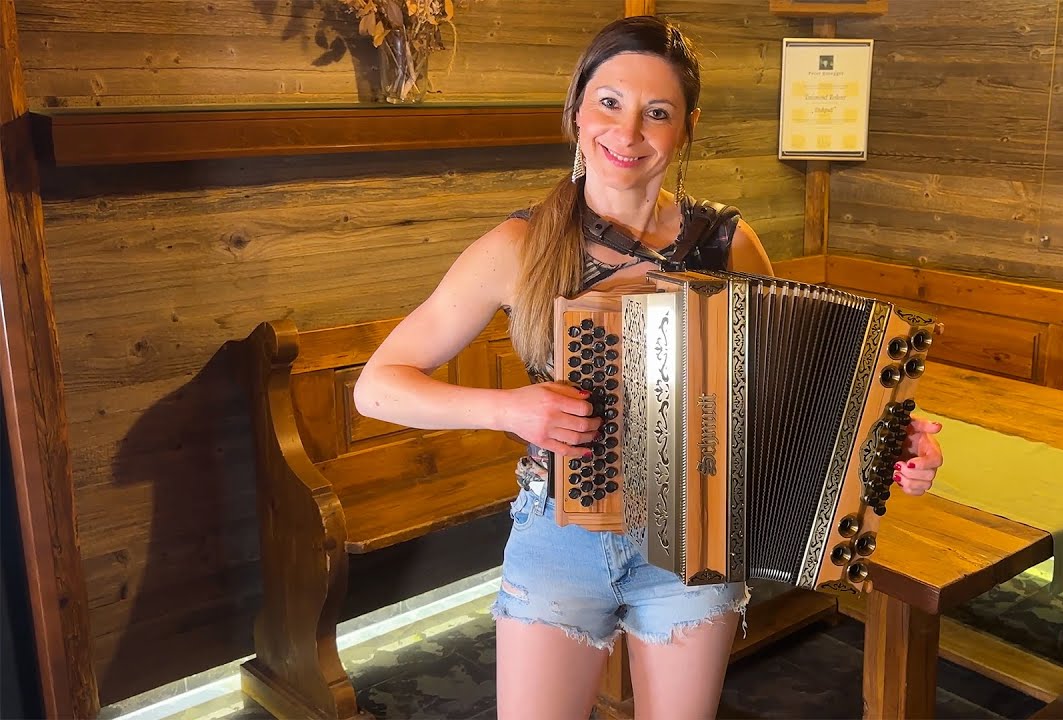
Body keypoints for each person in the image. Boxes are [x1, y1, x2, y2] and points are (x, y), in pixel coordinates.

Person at [353, 15, 943, 720]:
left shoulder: (727, 243)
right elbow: (378, 387)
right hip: (559, 535)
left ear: (685, 128)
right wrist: (508, 410)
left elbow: (800, 396)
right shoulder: (518, 246)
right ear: (576, 111)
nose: (626, 132)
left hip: (696, 539)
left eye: (655, 113)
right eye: (608, 103)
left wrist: (889, 444)